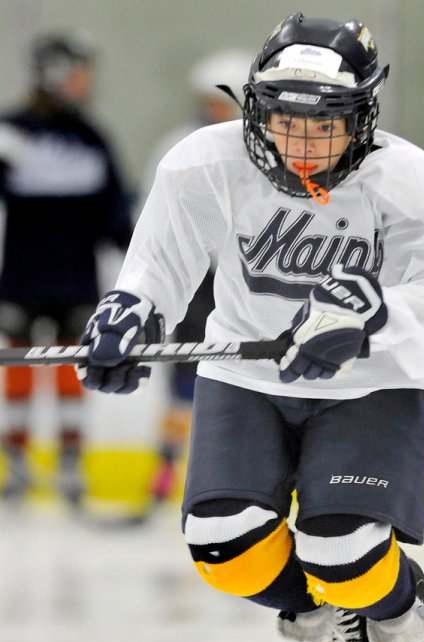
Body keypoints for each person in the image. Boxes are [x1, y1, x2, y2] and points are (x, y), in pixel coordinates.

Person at [80, 13, 424, 642]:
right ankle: (324, 610)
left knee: (344, 548)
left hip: (369, 383)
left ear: (361, 117)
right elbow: (160, 263)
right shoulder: (203, 164)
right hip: (245, 375)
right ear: (253, 109)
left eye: (324, 124)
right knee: (222, 547)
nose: (301, 144)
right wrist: (131, 313)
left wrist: (368, 321)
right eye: (283, 121)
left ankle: (394, 606)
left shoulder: (411, 183)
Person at [0, 32, 132, 504]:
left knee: (69, 372)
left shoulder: (91, 137)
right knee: (16, 367)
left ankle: (71, 464)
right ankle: (15, 462)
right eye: (77, 73)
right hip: (19, 277)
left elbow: (115, 215)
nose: (85, 83)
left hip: (75, 280)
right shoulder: (9, 131)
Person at [139, 50, 252, 505]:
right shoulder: (180, 146)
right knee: (185, 379)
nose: (214, 109)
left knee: (252, 376)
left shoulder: (263, 148)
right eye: (209, 99)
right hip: (196, 282)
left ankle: (253, 470)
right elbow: (154, 218)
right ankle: (167, 467)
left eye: (224, 100)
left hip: (246, 280)